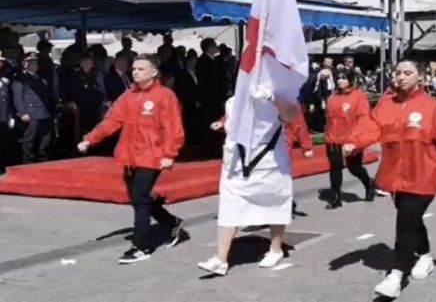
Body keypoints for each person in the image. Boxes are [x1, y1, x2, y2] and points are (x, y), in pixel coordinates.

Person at [343, 60, 436, 298]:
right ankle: (425, 255)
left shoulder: (432, 108)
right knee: (411, 219)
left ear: (420, 76)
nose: (401, 77)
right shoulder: (386, 104)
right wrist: (355, 142)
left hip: (423, 176)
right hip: (394, 176)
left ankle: (397, 274)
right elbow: (372, 126)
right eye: (398, 73)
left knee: (406, 220)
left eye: (407, 73)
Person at [77, 56, 185, 264]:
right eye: (134, 69)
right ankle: (171, 222)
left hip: (152, 155)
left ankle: (141, 246)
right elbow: (111, 121)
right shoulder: (128, 96)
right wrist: (90, 139)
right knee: (140, 199)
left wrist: (169, 154)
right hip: (129, 155)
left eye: (141, 69)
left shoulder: (164, 95)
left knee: (140, 198)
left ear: (154, 72)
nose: (135, 72)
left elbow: (173, 128)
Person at [197, 85, 299, 276]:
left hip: (269, 161)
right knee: (229, 207)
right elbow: (232, 124)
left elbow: (291, 115)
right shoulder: (232, 102)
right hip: (237, 162)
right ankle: (221, 258)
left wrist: (271, 96)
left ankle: (275, 249)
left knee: (275, 205)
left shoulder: (278, 97)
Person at [324, 70, 375, 209]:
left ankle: (369, 184)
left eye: (344, 78)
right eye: (338, 78)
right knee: (335, 168)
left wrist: (355, 140)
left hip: (351, 139)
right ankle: (335, 197)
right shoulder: (332, 98)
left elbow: (363, 118)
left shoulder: (358, 97)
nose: (340, 81)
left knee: (354, 167)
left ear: (350, 80)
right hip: (333, 138)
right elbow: (329, 119)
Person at [12, 52, 55, 164]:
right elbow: (18, 98)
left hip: (44, 114)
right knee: (29, 142)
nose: (34, 65)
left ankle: (43, 164)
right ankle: (28, 165)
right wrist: (23, 113)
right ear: (25, 64)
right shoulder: (20, 79)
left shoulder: (41, 79)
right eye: (31, 62)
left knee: (45, 142)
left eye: (35, 62)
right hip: (32, 115)